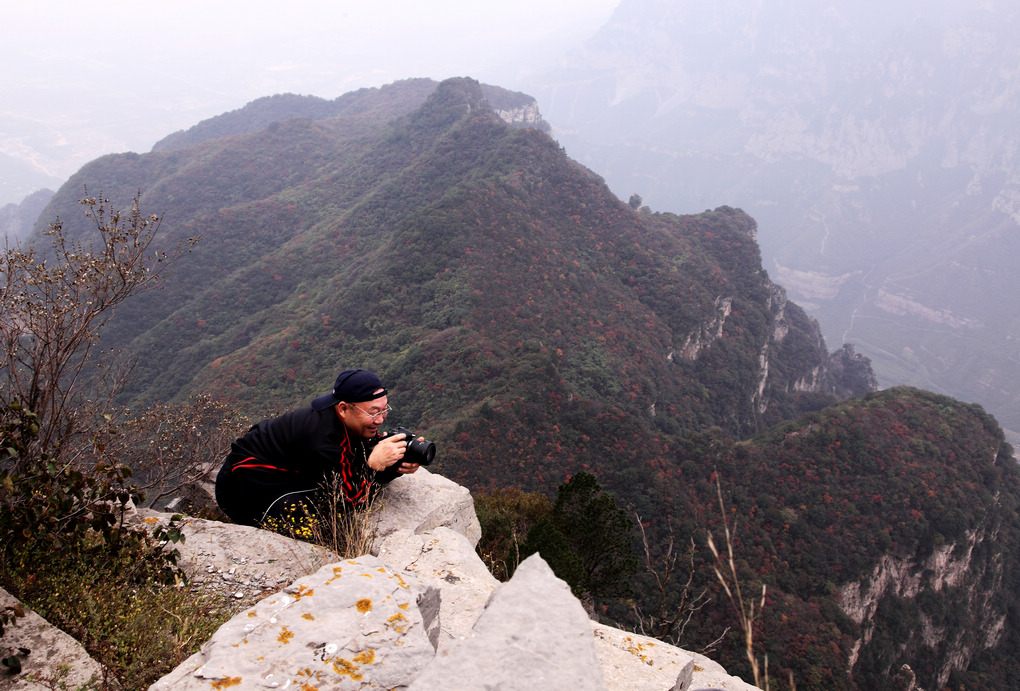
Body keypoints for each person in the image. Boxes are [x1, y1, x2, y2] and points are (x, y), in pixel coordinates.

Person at [214, 368, 420, 537]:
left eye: (384, 410)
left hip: (279, 470)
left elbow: (352, 465)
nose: (381, 419)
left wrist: (395, 465)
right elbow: (353, 499)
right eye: (373, 412)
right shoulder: (324, 441)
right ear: (343, 409)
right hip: (243, 488)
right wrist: (374, 465)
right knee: (322, 517)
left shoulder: (342, 424)